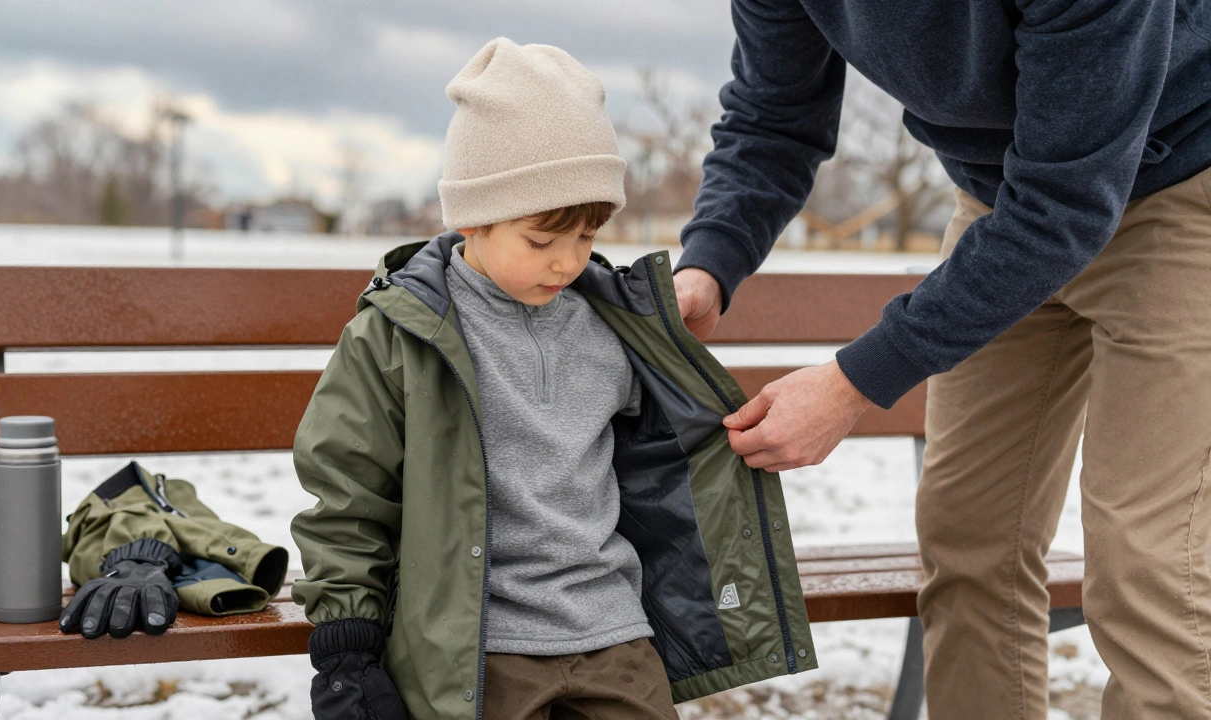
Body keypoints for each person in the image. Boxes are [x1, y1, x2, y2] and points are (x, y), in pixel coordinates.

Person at [671, 1, 1211, 718]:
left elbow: (1066, 204)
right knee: (968, 541)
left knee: (1148, 563)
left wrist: (853, 382)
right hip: (1005, 203)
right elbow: (773, 118)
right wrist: (708, 264)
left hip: (1177, 185)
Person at [290, 37, 816, 720]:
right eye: (542, 239)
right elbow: (348, 492)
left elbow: (677, 464)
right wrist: (346, 643)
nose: (567, 261)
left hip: (616, 633)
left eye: (587, 237)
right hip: (480, 646)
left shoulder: (614, 327)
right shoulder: (400, 337)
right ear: (473, 216)